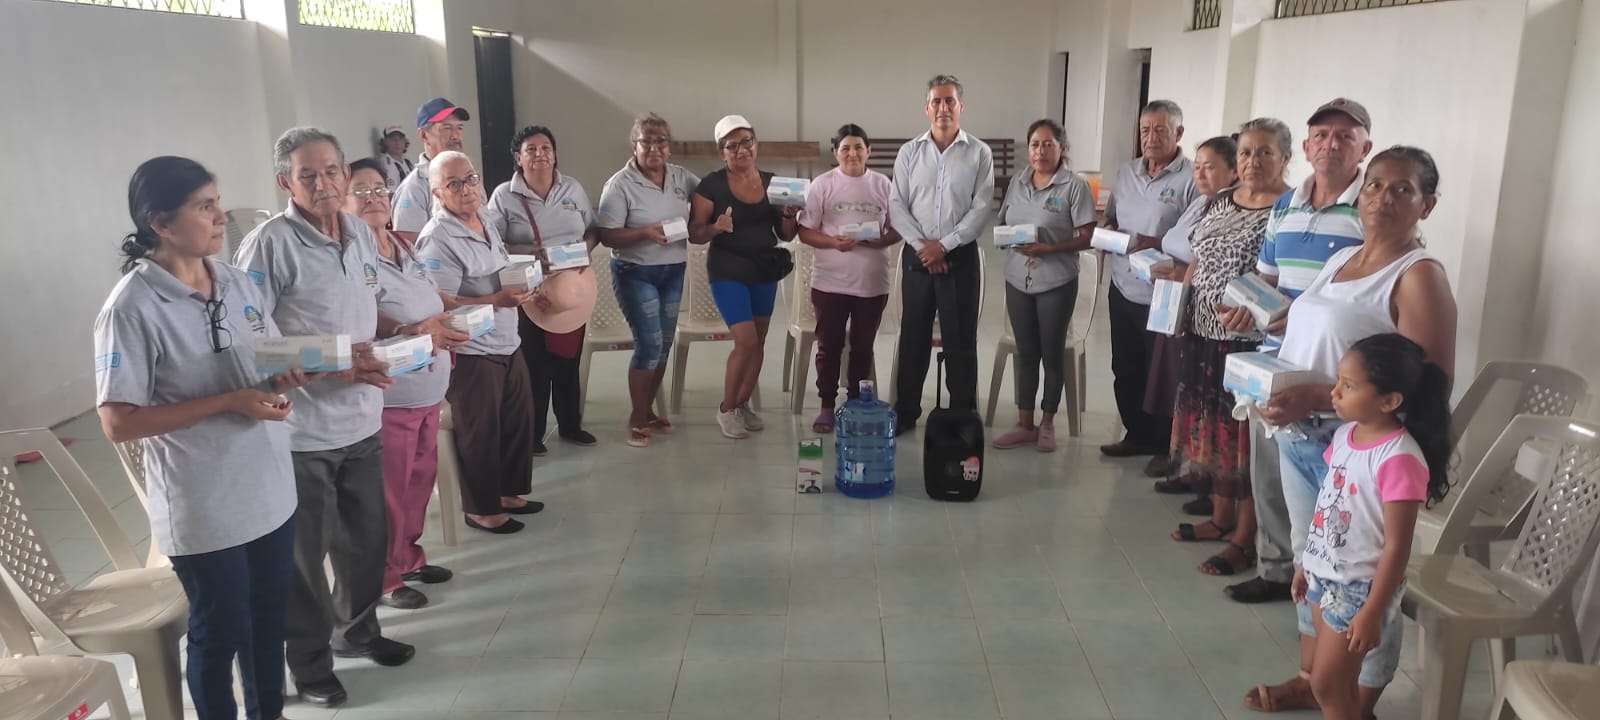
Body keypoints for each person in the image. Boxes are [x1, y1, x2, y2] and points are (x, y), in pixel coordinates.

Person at [96, 156, 314, 720]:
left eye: (217, 203)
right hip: (206, 504)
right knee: (221, 632)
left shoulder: (236, 281)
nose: (221, 217)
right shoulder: (133, 307)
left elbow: (263, 357)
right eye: (205, 207)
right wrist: (227, 402)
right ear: (161, 223)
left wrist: (287, 372)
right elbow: (118, 422)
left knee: (267, 620)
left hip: (268, 488)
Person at [1242, 146, 1456, 718]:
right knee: (1315, 563)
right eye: (1375, 185)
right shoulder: (1344, 258)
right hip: (1311, 440)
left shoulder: (1417, 276)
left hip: (1363, 453)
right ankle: (1313, 678)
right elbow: (1324, 330)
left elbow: (1428, 383)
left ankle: (1358, 699)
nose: (1382, 198)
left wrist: (1318, 396)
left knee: (1365, 577)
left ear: (1428, 205)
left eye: (1403, 189)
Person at [234, 128, 417, 708]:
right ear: (284, 182)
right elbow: (252, 347)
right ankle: (310, 664)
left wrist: (403, 335)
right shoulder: (268, 246)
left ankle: (358, 631)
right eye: (307, 174)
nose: (324, 184)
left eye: (332, 170)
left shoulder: (359, 233)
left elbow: (364, 311)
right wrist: (338, 361)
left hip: (362, 419)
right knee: (305, 561)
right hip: (301, 432)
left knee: (366, 541)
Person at [1230, 98, 1375, 606]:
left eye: (1345, 136)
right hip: (1274, 360)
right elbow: (1267, 279)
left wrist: (1305, 313)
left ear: (1364, 149)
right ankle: (1276, 569)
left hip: (1333, 374)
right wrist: (1246, 306)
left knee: (1327, 488)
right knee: (1270, 473)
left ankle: (1327, 591)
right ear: (1308, 147)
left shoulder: (1369, 209)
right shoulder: (1285, 206)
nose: (1331, 144)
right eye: (1322, 135)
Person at [1165, 119, 1294, 579]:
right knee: (1212, 427)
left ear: (1285, 158)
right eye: (1245, 153)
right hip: (1203, 332)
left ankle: (1245, 536)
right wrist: (1179, 305)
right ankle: (1221, 517)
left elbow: (1282, 279)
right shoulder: (1222, 199)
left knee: (1244, 438)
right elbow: (1199, 257)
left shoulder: (1287, 208)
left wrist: (1256, 312)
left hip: (1247, 340)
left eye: (1265, 152)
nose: (1253, 161)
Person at [1298, 333, 1451, 720]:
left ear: (1389, 401)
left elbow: (1397, 546)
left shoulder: (1398, 458)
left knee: (1327, 685)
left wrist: (1371, 611)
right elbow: (1328, 503)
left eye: (1348, 386)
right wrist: (1307, 562)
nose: (1335, 393)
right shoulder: (1344, 436)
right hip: (1325, 573)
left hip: (1359, 587)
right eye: (1338, 381)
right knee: (1333, 683)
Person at [345, 159, 468, 610]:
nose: (373, 198)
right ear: (341, 202)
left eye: (379, 189)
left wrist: (459, 313)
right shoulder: (352, 255)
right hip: (391, 394)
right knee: (390, 492)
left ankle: (409, 558)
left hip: (428, 388)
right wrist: (407, 328)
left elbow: (430, 294)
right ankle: (385, 578)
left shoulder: (401, 243)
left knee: (418, 481)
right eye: (360, 191)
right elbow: (363, 313)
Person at [416, 150, 544, 534]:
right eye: (454, 184)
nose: (467, 189)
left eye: (470, 179)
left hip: (505, 337)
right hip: (471, 348)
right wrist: (496, 300)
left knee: (517, 420)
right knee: (480, 430)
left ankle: (507, 492)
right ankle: (482, 509)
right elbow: (440, 302)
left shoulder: (484, 218)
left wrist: (525, 283)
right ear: (437, 193)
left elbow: (499, 268)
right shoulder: (437, 238)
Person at [888, 74, 995, 436]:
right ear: (927, 108)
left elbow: (981, 208)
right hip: (918, 256)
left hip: (959, 257)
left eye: (950, 101)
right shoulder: (909, 152)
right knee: (913, 335)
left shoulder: (979, 153)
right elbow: (897, 205)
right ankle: (906, 411)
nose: (943, 108)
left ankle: (961, 414)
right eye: (937, 101)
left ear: (961, 106)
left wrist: (944, 245)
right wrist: (925, 247)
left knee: (960, 339)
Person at [1101, 100, 1200, 475]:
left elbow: (1195, 236)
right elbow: (1112, 216)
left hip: (1164, 293)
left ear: (1178, 133)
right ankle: (1136, 434)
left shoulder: (1191, 178)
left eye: (1160, 129)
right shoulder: (1127, 172)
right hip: (1123, 284)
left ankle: (1165, 444)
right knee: (1126, 366)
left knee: (1163, 373)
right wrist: (1107, 231)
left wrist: (1153, 242)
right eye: (1145, 130)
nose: (1151, 137)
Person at [487, 125, 599, 455]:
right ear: (518, 158)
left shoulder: (572, 188)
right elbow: (491, 244)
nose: (540, 154)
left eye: (546, 148)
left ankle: (570, 424)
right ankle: (533, 432)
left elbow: (593, 229)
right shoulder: (504, 196)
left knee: (568, 359)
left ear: (555, 154)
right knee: (534, 364)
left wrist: (585, 249)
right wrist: (529, 252)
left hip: (570, 288)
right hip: (529, 289)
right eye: (531, 149)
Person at [689, 115, 800, 439]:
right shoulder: (711, 185)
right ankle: (726, 409)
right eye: (732, 146)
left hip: (764, 269)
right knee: (746, 341)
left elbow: (786, 233)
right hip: (728, 270)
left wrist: (789, 215)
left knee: (759, 341)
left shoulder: (773, 182)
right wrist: (715, 227)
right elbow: (695, 233)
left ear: (756, 143)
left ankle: (741, 404)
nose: (741, 150)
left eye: (746, 142)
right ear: (722, 152)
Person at [989, 119, 1096, 452]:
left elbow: (1087, 236)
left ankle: (1047, 422)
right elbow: (1003, 222)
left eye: (1049, 144)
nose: (1040, 151)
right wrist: (1008, 238)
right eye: (1035, 144)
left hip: (1056, 281)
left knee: (1051, 353)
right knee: (1026, 352)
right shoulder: (1018, 182)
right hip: (1018, 279)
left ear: (1062, 148)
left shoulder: (1074, 186)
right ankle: (1025, 423)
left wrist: (1050, 249)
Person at [596, 113, 700, 448]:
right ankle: (637, 417)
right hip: (635, 271)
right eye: (646, 142)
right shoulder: (619, 185)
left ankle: (648, 410)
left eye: (661, 142)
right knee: (649, 345)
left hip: (673, 270)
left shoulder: (682, 178)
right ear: (634, 145)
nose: (654, 148)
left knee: (664, 344)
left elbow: (709, 199)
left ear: (670, 147)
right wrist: (644, 233)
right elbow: (607, 235)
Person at [795, 123, 901, 433]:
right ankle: (827, 406)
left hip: (872, 283)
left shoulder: (883, 185)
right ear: (835, 153)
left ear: (869, 152)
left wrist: (882, 240)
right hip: (830, 283)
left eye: (858, 148)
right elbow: (805, 232)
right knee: (828, 346)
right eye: (845, 148)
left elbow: (897, 228)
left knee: (863, 347)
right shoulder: (822, 185)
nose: (852, 153)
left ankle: (855, 403)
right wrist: (832, 243)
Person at [1144, 135, 1239, 473]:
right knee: (1176, 385)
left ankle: (1198, 465)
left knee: (1201, 392)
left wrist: (1180, 273)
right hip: (1178, 302)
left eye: (1209, 167)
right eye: (1197, 167)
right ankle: (1177, 454)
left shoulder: (1232, 210)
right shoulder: (1202, 203)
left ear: (1233, 170)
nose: (1199, 174)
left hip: (1206, 311)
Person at [392, 97, 470, 241]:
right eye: (446, 128)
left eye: (459, 128)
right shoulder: (414, 188)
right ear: (423, 135)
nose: (455, 135)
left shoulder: (471, 178)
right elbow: (409, 245)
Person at [377, 125, 413, 191]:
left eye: (400, 139)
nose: (397, 142)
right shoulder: (382, 164)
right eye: (393, 139)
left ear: (405, 141)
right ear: (385, 141)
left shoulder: (408, 163)